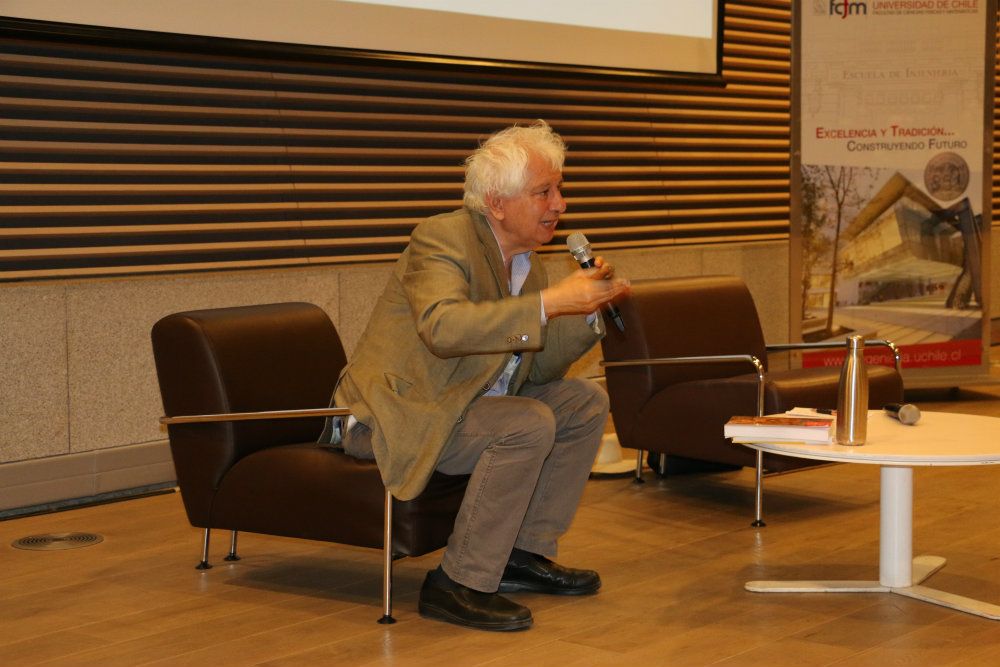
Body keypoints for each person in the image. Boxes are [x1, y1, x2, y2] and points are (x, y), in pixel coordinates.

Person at [326, 120, 631, 631]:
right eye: (544, 192)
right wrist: (550, 302)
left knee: (583, 403)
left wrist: (586, 312)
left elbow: (540, 363)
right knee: (527, 421)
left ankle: (519, 554)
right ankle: (458, 582)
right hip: (395, 412)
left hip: (466, 405)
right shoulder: (441, 237)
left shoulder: (525, 263)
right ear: (497, 203)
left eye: (559, 190)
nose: (560, 204)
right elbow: (442, 328)